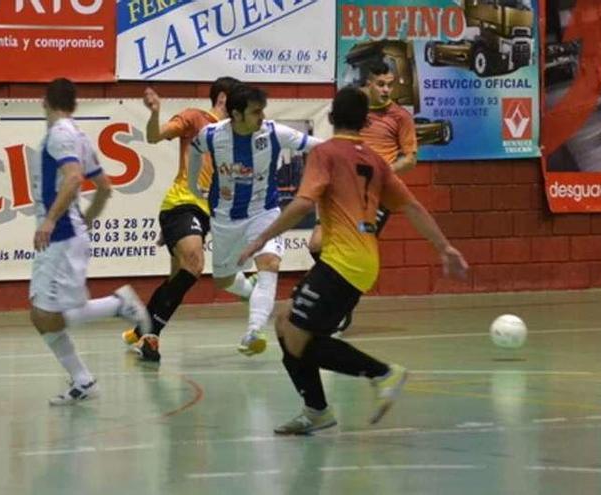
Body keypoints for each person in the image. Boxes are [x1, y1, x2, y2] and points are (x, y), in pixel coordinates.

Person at [238, 87, 468, 434]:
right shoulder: (375, 160)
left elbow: (302, 203)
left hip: (343, 262)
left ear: (330, 118)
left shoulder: (327, 153)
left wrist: (261, 238)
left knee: (298, 337)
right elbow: (412, 207)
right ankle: (316, 410)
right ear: (365, 121)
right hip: (361, 260)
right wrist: (444, 246)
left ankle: (382, 374)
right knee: (286, 324)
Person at [30, 78, 151, 404]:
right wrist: (87, 220)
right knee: (43, 315)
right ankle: (83, 380)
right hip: (68, 233)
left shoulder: (60, 135)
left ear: (46, 102)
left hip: (62, 236)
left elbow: (73, 178)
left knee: (48, 315)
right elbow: (105, 186)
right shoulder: (78, 137)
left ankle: (118, 305)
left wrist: (53, 220)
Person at [188, 83, 322, 356]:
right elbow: (194, 149)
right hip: (224, 219)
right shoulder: (213, 135)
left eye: (263, 111)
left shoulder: (273, 133)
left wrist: (353, 149)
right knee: (223, 280)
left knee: (269, 263)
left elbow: (317, 146)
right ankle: (254, 295)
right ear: (236, 114)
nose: (262, 116)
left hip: (264, 213)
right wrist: (192, 185)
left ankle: (254, 332)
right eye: (255, 112)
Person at [121, 77, 239, 362]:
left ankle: (141, 329)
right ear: (223, 98)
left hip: (205, 213)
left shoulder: (235, 136)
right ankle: (151, 336)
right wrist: (154, 113)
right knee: (195, 264)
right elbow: (155, 136)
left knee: (179, 278)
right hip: (182, 203)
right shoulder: (195, 117)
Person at [309, 59, 418, 333]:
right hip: (343, 192)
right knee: (316, 246)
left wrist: (382, 171)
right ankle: (334, 299)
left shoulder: (400, 117)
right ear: (367, 83)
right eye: (380, 85)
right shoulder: (354, 112)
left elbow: (411, 159)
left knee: (353, 252)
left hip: (375, 197)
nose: (386, 90)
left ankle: (340, 310)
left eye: (390, 85)